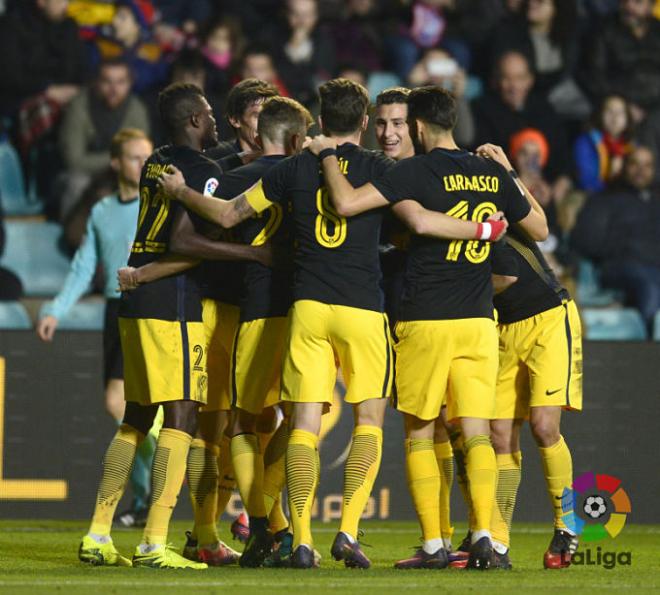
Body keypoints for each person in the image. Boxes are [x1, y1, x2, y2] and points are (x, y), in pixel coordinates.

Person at [158, 79, 508, 569]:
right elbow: (418, 221)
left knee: (301, 424)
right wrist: (483, 226)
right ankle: (347, 530)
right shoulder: (383, 169)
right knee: (369, 420)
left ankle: (300, 540)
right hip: (364, 308)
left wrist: (179, 190)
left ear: (320, 121)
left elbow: (229, 211)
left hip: (309, 308)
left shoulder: (295, 166)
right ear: (364, 123)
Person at [307, 85, 547, 570]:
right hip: (479, 320)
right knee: (477, 432)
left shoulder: (413, 171)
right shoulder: (490, 172)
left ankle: (436, 546)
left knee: (419, 431)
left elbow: (348, 205)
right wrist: (504, 188)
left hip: (426, 318)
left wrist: (328, 153)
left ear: (417, 126)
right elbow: (540, 229)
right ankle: (484, 537)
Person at [77, 82, 224, 570]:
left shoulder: (155, 160)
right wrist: (251, 251)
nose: (215, 118)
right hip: (174, 307)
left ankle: (98, 533)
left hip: (136, 303)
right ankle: (153, 541)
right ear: (194, 121)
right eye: (208, 112)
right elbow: (186, 242)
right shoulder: (202, 171)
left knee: (136, 417)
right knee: (182, 416)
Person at [37, 128, 155, 526]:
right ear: (116, 163)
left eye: (147, 157)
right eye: (135, 158)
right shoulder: (103, 211)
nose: (143, 164)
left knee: (118, 403)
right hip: (115, 308)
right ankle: (146, 497)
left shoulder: (159, 204)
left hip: (149, 306)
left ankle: (154, 487)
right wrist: (56, 308)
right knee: (127, 410)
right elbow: (84, 266)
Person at [372, 86, 460, 562]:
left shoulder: (437, 174)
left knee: (442, 424)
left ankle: (447, 535)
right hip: (377, 310)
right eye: (381, 123)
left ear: (416, 126)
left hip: (429, 311)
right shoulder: (369, 170)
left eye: (398, 123)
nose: (388, 133)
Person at [488, 183, 583, 569]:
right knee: (499, 433)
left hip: (547, 315)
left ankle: (568, 525)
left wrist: (512, 173)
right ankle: (497, 540)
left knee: (544, 427)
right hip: (503, 326)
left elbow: (541, 227)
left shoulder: (497, 199)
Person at [572, 146, 660, 332]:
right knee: (649, 286)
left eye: (647, 165)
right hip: (619, 265)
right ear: (624, 167)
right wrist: (625, 248)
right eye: (635, 164)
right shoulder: (606, 199)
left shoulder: (655, 201)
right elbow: (586, 240)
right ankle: (649, 352)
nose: (641, 171)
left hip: (654, 266)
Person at [58, 58, 150, 220]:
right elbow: (74, 161)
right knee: (76, 183)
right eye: (107, 82)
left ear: (130, 84)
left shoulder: (136, 110)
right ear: (96, 82)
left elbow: (141, 159)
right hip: (84, 176)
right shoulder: (79, 107)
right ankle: (71, 238)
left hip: (121, 174)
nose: (114, 89)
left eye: (121, 82)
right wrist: (118, 159)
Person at [472, 51, 572, 194]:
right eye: (507, 78)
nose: (514, 86)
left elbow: (564, 158)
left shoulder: (544, 109)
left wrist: (557, 190)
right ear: (496, 81)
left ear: (530, 80)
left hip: (546, 191)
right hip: (504, 191)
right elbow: (483, 161)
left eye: (520, 78)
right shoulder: (483, 110)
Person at [584, 0, 660, 120]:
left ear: (651, 6)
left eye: (637, 2)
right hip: (620, 106)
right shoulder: (605, 29)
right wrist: (622, 106)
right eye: (625, 1)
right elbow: (595, 74)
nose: (629, 6)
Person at [574, 95, 635, 193]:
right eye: (609, 111)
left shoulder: (632, 146)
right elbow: (586, 182)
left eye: (620, 112)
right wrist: (610, 173)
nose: (614, 117)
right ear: (600, 114)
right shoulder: (586, 142)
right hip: (595, 199)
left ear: (627, 118)